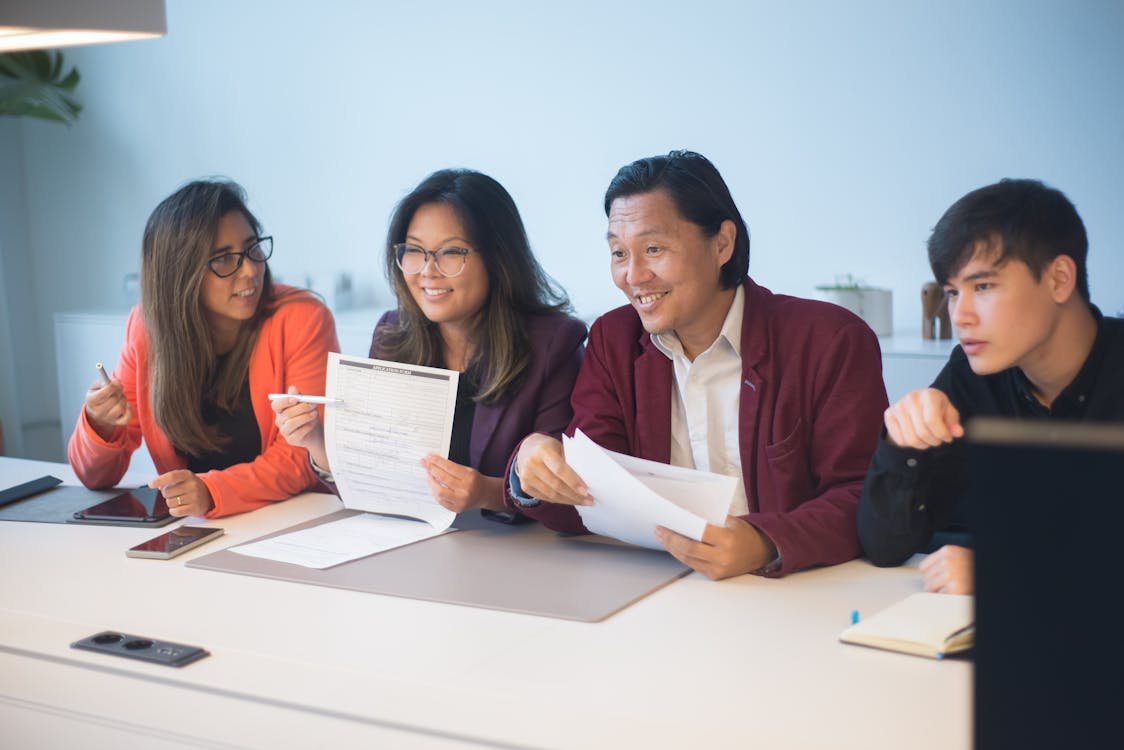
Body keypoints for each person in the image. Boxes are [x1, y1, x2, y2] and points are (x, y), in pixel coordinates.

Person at [508, 150, 888, 579]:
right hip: (660, 587)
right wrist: (532, 469)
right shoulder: (614, 341)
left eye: (653, 249)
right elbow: (591, 500)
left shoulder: (828, 339)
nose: (633, 276)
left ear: (722, 243)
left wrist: (766, 541)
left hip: (799, 587)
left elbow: (864, 495)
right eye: (618, 253)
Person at [857, 178, 1124, 594]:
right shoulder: (972, 373)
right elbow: (885, 546)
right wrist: (903, 443)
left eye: (982, 287)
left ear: (1058, 279)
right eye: (951, 291)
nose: (959, 315)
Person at [272, 169, 586, 518]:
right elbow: (373, 480)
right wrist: (316, 441)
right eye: (415, 251)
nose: (427, 271)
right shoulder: (393, 335)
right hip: (413, 547)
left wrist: (486, 492)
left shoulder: (554, 345)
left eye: (450, 252)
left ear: (499, 258)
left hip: (518, 555)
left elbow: (565, 497)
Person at [69, 179, 339, 518]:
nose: (251, 269)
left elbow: (304, 455)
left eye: (253, 248)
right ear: (180, 274)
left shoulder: (302, 317)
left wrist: (214, 491)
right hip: (197, 528)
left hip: (290, 518)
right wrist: (100, 425)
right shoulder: (147, 326)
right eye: (224, 259)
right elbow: (96, 477)